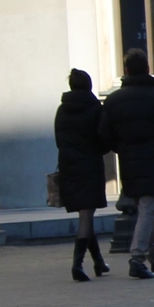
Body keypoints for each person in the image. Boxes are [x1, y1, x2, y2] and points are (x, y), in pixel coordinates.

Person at [99, 49, 154, 278]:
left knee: (145, 208)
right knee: (147, 208)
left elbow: (103, 133)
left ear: (126, 70)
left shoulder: (114, 99)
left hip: (128, 160)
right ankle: (137, 259)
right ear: (147, 68)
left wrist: (119, 147)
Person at [53, 68, 111, 282]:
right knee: (86, 215)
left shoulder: (62, 110)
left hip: (69, 165)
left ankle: (99, 262)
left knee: (85, 215)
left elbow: (59, 140)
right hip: (90, 165)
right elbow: (103, 136)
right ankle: (77, 264)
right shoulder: (95, 108)